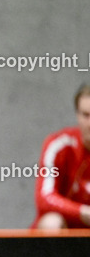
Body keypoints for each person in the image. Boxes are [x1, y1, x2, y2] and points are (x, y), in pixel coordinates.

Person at [33, 83, 90, 229]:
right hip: (65, 228)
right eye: (86, 115)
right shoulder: (59, 145)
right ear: (77, 115)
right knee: (51, 222)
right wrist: (83, 212)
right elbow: (44, 198)